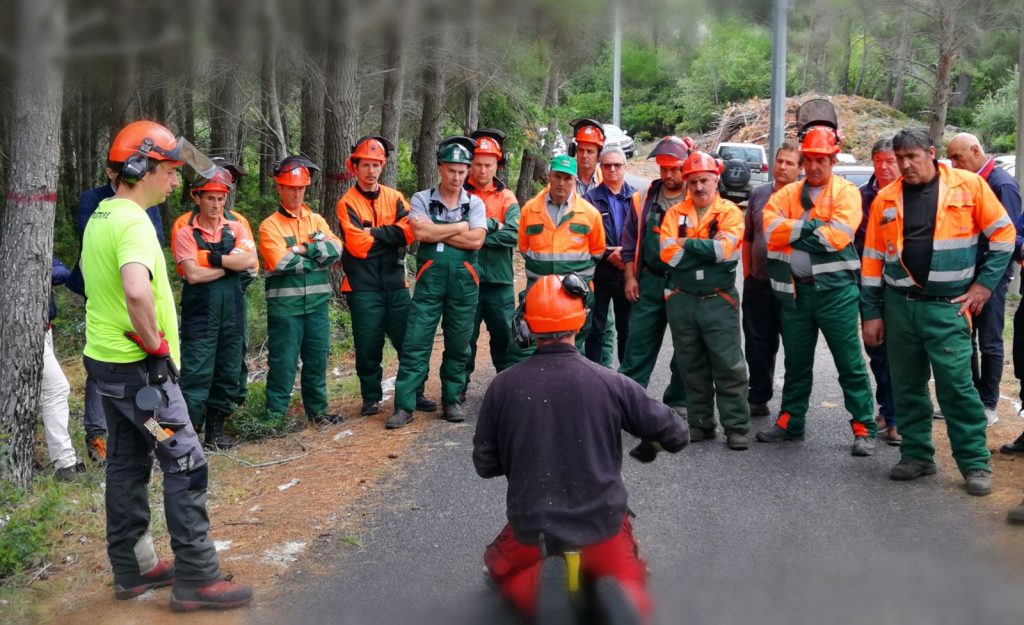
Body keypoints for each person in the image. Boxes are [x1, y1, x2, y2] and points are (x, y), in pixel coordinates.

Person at [80, 120, 251, 610]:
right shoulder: (134, 222)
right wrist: (156, 346)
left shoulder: (102, 215)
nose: (177, 181)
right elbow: (135, 288)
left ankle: (133, 568)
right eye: (170, 171)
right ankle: (197, 578)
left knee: (129, 464)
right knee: (185, 461)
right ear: (140, 167)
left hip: (108, 365)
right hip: (140, 374)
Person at [473, 274, 688, 624]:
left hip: (533, 529)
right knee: (629, 577)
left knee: (500, 572)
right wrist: (653, 442)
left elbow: (485, 464)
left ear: (527, 326)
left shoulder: (502, 387)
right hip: (602, 526)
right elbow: (677, 434)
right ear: (582, 318)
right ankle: (616, 592)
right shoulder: (610, 382)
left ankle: (533, 585)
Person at [862, 127, 1013, 497]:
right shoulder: (886, 198)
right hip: (900, 307)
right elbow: (871, 261)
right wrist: (871, 313)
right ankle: (916, 455)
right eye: (900, 159)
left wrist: (983, 286)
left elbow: (1004, 236)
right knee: (907, 385)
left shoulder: (969, 187)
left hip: (947, 308)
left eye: (912, 157)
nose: (906, 165)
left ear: (931, 153)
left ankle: (974, 462)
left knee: (957, 388)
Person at [757, 125, 878, 457]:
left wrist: (793, 230)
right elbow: (770, 230)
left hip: (836, 294)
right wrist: (813, 226)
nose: (814, 166)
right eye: (809, 159)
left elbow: (836, 237)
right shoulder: (785, 194)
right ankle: (791, 422)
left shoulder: (846, 193)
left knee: (849, 363)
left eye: (821, 159)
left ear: (833, 159)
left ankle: (864, 428)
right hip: (795, 295)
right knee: (796, 363)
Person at [387, 137, 486, 429]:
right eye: (451, 170)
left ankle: (451, 399)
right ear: (440, 168)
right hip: (429, 283)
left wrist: (436, 231)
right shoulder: (421, 198)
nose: (456, 177)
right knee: (416, 341)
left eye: (461, 171)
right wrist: (457, 228)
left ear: (467, 171)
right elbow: (419, 233)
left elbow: (477, 240)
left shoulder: (475, 202)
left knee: (459, 343)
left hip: (464, 284)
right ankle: (404, 405)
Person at [68, 167, 165, 466]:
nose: (173, 181)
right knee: (127, 395)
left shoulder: (145, 208)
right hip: (113, 317)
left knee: (130, 404)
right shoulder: (96, 203)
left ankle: (148, 442)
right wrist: (155, 344)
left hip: (133, 311)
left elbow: (156, 240)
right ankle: (163, 440)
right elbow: (94, 243)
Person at [336, 135, 434, 418]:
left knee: (408, 341)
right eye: (366, 165)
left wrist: (375, 234)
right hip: (362, 287)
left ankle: (415, 392)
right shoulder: (347, 203)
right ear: (355, 166)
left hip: (396, 284)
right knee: (368, 345)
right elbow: (356, 246)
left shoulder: (396, 198)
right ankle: (370, 397)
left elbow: (410, 232)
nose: (371, 171)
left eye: (376, 165)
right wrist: (391, 237)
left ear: (382, 167)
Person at [659, 151, 751, 450]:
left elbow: (725, 252)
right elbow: (668, 255)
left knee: (728, 364)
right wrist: (705, 252)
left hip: (719, 301)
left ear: (716, 180)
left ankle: (736, 426)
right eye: (694, 181)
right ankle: (700, 423)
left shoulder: (730, 212)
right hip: (683, 300)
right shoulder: (674, 214)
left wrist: (686, 243)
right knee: (691, 364)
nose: (699, 187)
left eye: (705, 180)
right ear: (687, 182)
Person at [172, 168, 258, 448]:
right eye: (210, 198)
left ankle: (215, 432)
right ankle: (189, 434)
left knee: (228, 370)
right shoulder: (185, 232)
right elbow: (192, 275)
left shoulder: (236, 228)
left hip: (231, 313)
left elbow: (250, 261)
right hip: (199, 316)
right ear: (198, 198)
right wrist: (228, 267)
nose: (216, 205)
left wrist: (209, 260)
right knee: (196, 371)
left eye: (221, 199)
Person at [259, 155, 344, 428]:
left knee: (317, 361)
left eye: (300, 188)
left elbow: (337, 250)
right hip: (286, 310)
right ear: (280, 188)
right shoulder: (269, 225)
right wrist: (317, 258)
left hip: (317, 305)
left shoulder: (316, 220)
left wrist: (304, 249)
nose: (296, 193)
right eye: (290, 188)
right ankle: (274, 419)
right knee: (283, 365)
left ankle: (317, 413)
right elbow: (280, 262)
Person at [946, 132, 1023, 427]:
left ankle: (989, 405)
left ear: (975, 151)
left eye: (957, 158)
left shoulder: (1001, 184)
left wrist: (989, 281)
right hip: (966, 273)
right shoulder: (967, 182)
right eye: (950, 158)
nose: (953, 165)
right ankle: (971, 401)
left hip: (992, 277)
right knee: (966, 339)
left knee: (990, 340)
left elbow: (1009, 236)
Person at [618, 136, 691, 416]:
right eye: (663, 169)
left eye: (674, 168)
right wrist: (630, 277)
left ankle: (679, 400)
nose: (669, 175)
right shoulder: (643, 199)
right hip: (649, 280)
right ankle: (628, 401)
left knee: (686, 344)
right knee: (638, 343)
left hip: (683, 282)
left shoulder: (695, 197)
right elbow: (628, 244)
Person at [512, 155, 606, 360]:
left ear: (574, 180)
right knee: (536, 345)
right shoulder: (530, 210)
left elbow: (597, 252)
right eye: (557, 177)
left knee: (574, 349)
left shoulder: (590, 214)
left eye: (567, 178)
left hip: (576, 293)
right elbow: (524, 248)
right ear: (549, 176)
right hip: (538, 292)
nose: (561, 183)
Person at [742, 141, 801, 418]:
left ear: (800, 169)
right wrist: (748, 274)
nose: (783, 167)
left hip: (792, 285)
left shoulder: (803, 197)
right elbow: (749, 238)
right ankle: (758, 396)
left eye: (790, 163)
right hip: (759, 283)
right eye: (780, 161)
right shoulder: (759, 193)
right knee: (757, 344)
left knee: (794, 345)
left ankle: (791, 408)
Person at [463, 129, 520, 396]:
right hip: (466, 277)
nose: (482, 170)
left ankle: (510, 389)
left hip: (499, 281)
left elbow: (513, 235)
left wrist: (476, 232)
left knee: (505, 337)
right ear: (470, 164)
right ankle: (457, 390)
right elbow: (451, 229)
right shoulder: (459, 194)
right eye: (477, 164)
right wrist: (492, 228)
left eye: (488, 164)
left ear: (497, 165)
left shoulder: (507, 197)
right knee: (464, 338)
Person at [857, 138, 901, 445]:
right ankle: (887, 411)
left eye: (890, 161)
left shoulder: (910, 194)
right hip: (869, 287)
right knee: (878, 354)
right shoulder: (862, 196)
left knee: (901, 356)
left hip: (902, 289)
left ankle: (898, 419)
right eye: (878, 161)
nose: (884, 167)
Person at [584, 147, 636, 365]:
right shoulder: (589, 200)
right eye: (607, 165)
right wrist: (608, 253)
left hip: (629, 274)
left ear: (625, 167)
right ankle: (595, 378)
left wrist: (624, 255)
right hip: (600, 273)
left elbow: (643, 235)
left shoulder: (638, 198)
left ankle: (627, 381)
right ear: (600, 168)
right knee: (595, 329)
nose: (612, 169)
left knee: (628, 330)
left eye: (617, 165)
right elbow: (584, 237)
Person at [44, 257, 85, 481]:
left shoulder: (18, 234)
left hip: (42, 327)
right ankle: (65, 463)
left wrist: (37, 272)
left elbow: (62, 271)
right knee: (56, 388)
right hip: (18, 332)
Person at [570, 117, 605, 197]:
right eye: (581, 150)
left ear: (599, 155)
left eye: (590, 152)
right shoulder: (564, 177)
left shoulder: (606, 180)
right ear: (574, 151)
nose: (584, 156)